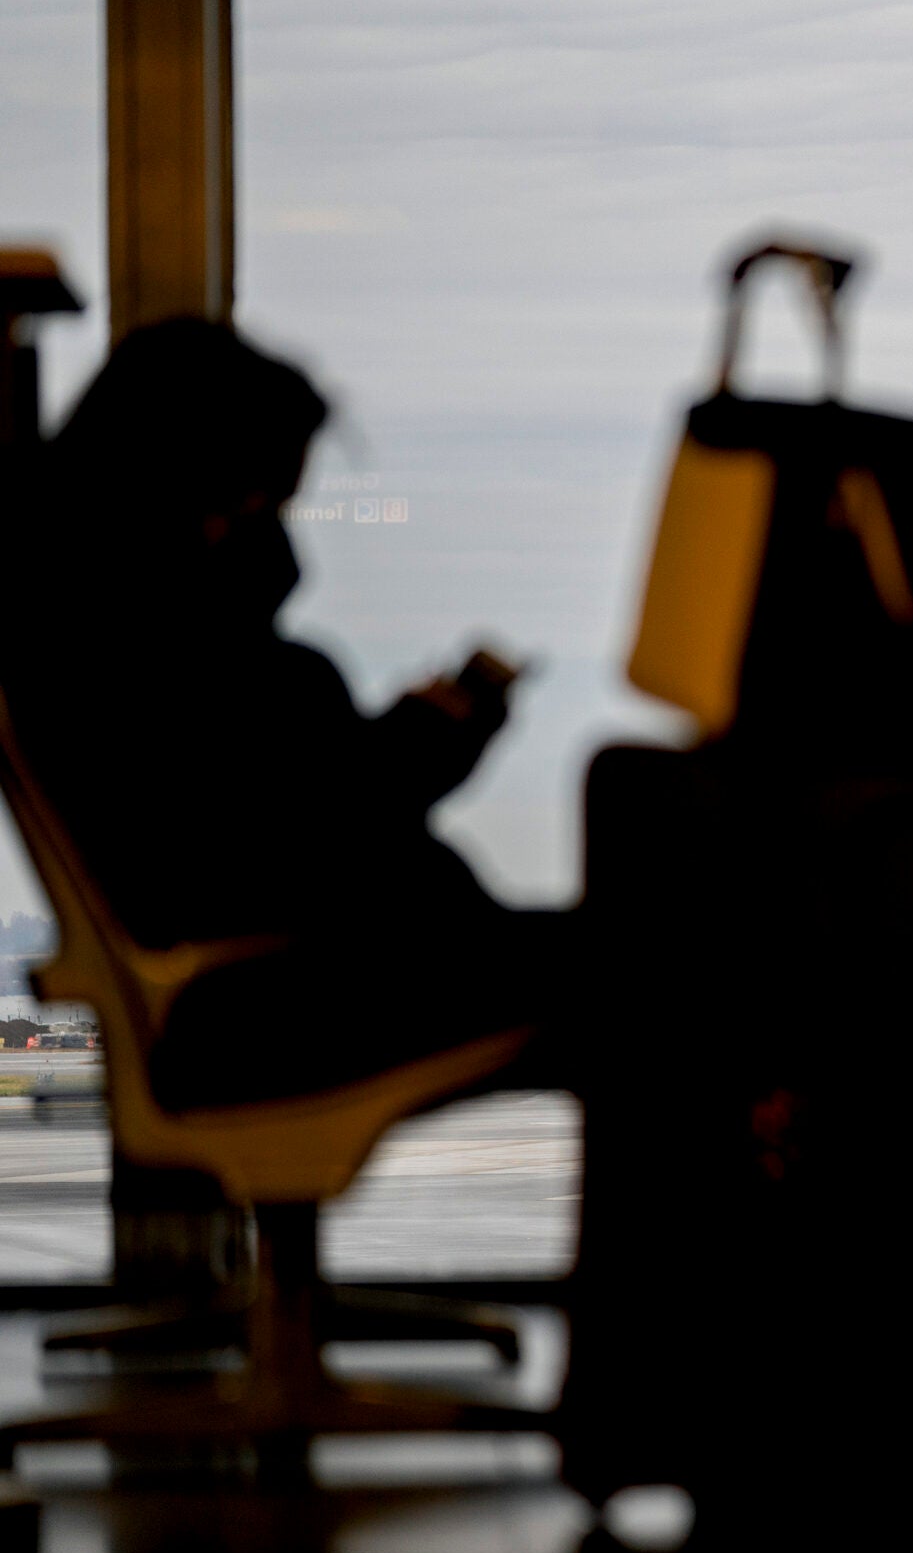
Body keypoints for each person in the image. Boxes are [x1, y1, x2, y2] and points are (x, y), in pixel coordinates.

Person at [2, 318, 567, 1106]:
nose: (273, 536)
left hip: (276, 980)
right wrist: (417, 747)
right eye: (259, 499)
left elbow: (278, 803)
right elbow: (287, 835)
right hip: (265, 1000)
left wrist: (403, 748)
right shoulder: (152, 648)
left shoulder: (108, 638)